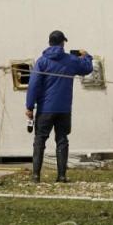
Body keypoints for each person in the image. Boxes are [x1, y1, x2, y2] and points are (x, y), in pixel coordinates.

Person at [25, 30, 93, 183]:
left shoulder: (41, 61)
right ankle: (61, 176)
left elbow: (33, 85)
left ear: (49, 43)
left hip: (45, 109)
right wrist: (86, 55)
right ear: (63, 43)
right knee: (62, 140)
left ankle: (36, 176)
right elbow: (88, 68)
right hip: (64, 109)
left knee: (39, 141)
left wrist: (30, 107)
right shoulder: (71, 60)